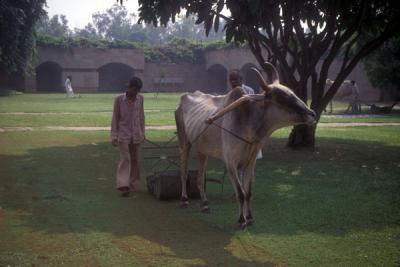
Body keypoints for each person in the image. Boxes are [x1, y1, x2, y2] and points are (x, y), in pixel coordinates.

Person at [111, 77, 145, 197]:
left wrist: (143, 132)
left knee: (135, 159)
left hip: (136, 134)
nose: (136, 92)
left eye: (138, 90)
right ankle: (123, 185)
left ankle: (132, 183)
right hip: (123, 134)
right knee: (126, 158)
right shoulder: (119, 99)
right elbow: (115, 118)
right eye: (134, 89)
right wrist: (113, 135)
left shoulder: (140, 99)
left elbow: (141, 116)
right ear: (129, 87)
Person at [228, 69, 262, 160]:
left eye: (235, 79)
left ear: (241, 80)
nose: (233, 82)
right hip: (237, 122)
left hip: (248, 121)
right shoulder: (231, 93)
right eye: (231, 80)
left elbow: (253, 106)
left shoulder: (248, 90)